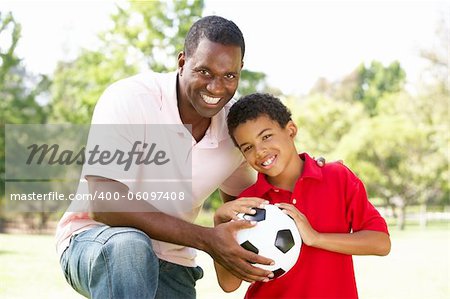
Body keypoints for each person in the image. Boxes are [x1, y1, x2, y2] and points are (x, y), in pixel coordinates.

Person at [56, 16, 325, 299]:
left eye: (229, 76)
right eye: (204, 72)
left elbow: (256, 197)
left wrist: (318, 171)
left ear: (240, 71)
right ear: (182, 62)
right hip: (95, 239)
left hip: (174, 262)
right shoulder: (131, 98)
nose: (216, 87)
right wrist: (207, 239)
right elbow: (103, 202)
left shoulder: (236, 130)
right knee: (130, 247)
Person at [214, 93, 391, 298]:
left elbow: (381, 243)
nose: (260, 151)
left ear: (290, 130)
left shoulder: (337, 178)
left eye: (266, 136)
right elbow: (229, 285)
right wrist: (220, 224)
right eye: (248, 147)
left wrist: (316, 238)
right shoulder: (249, 204)